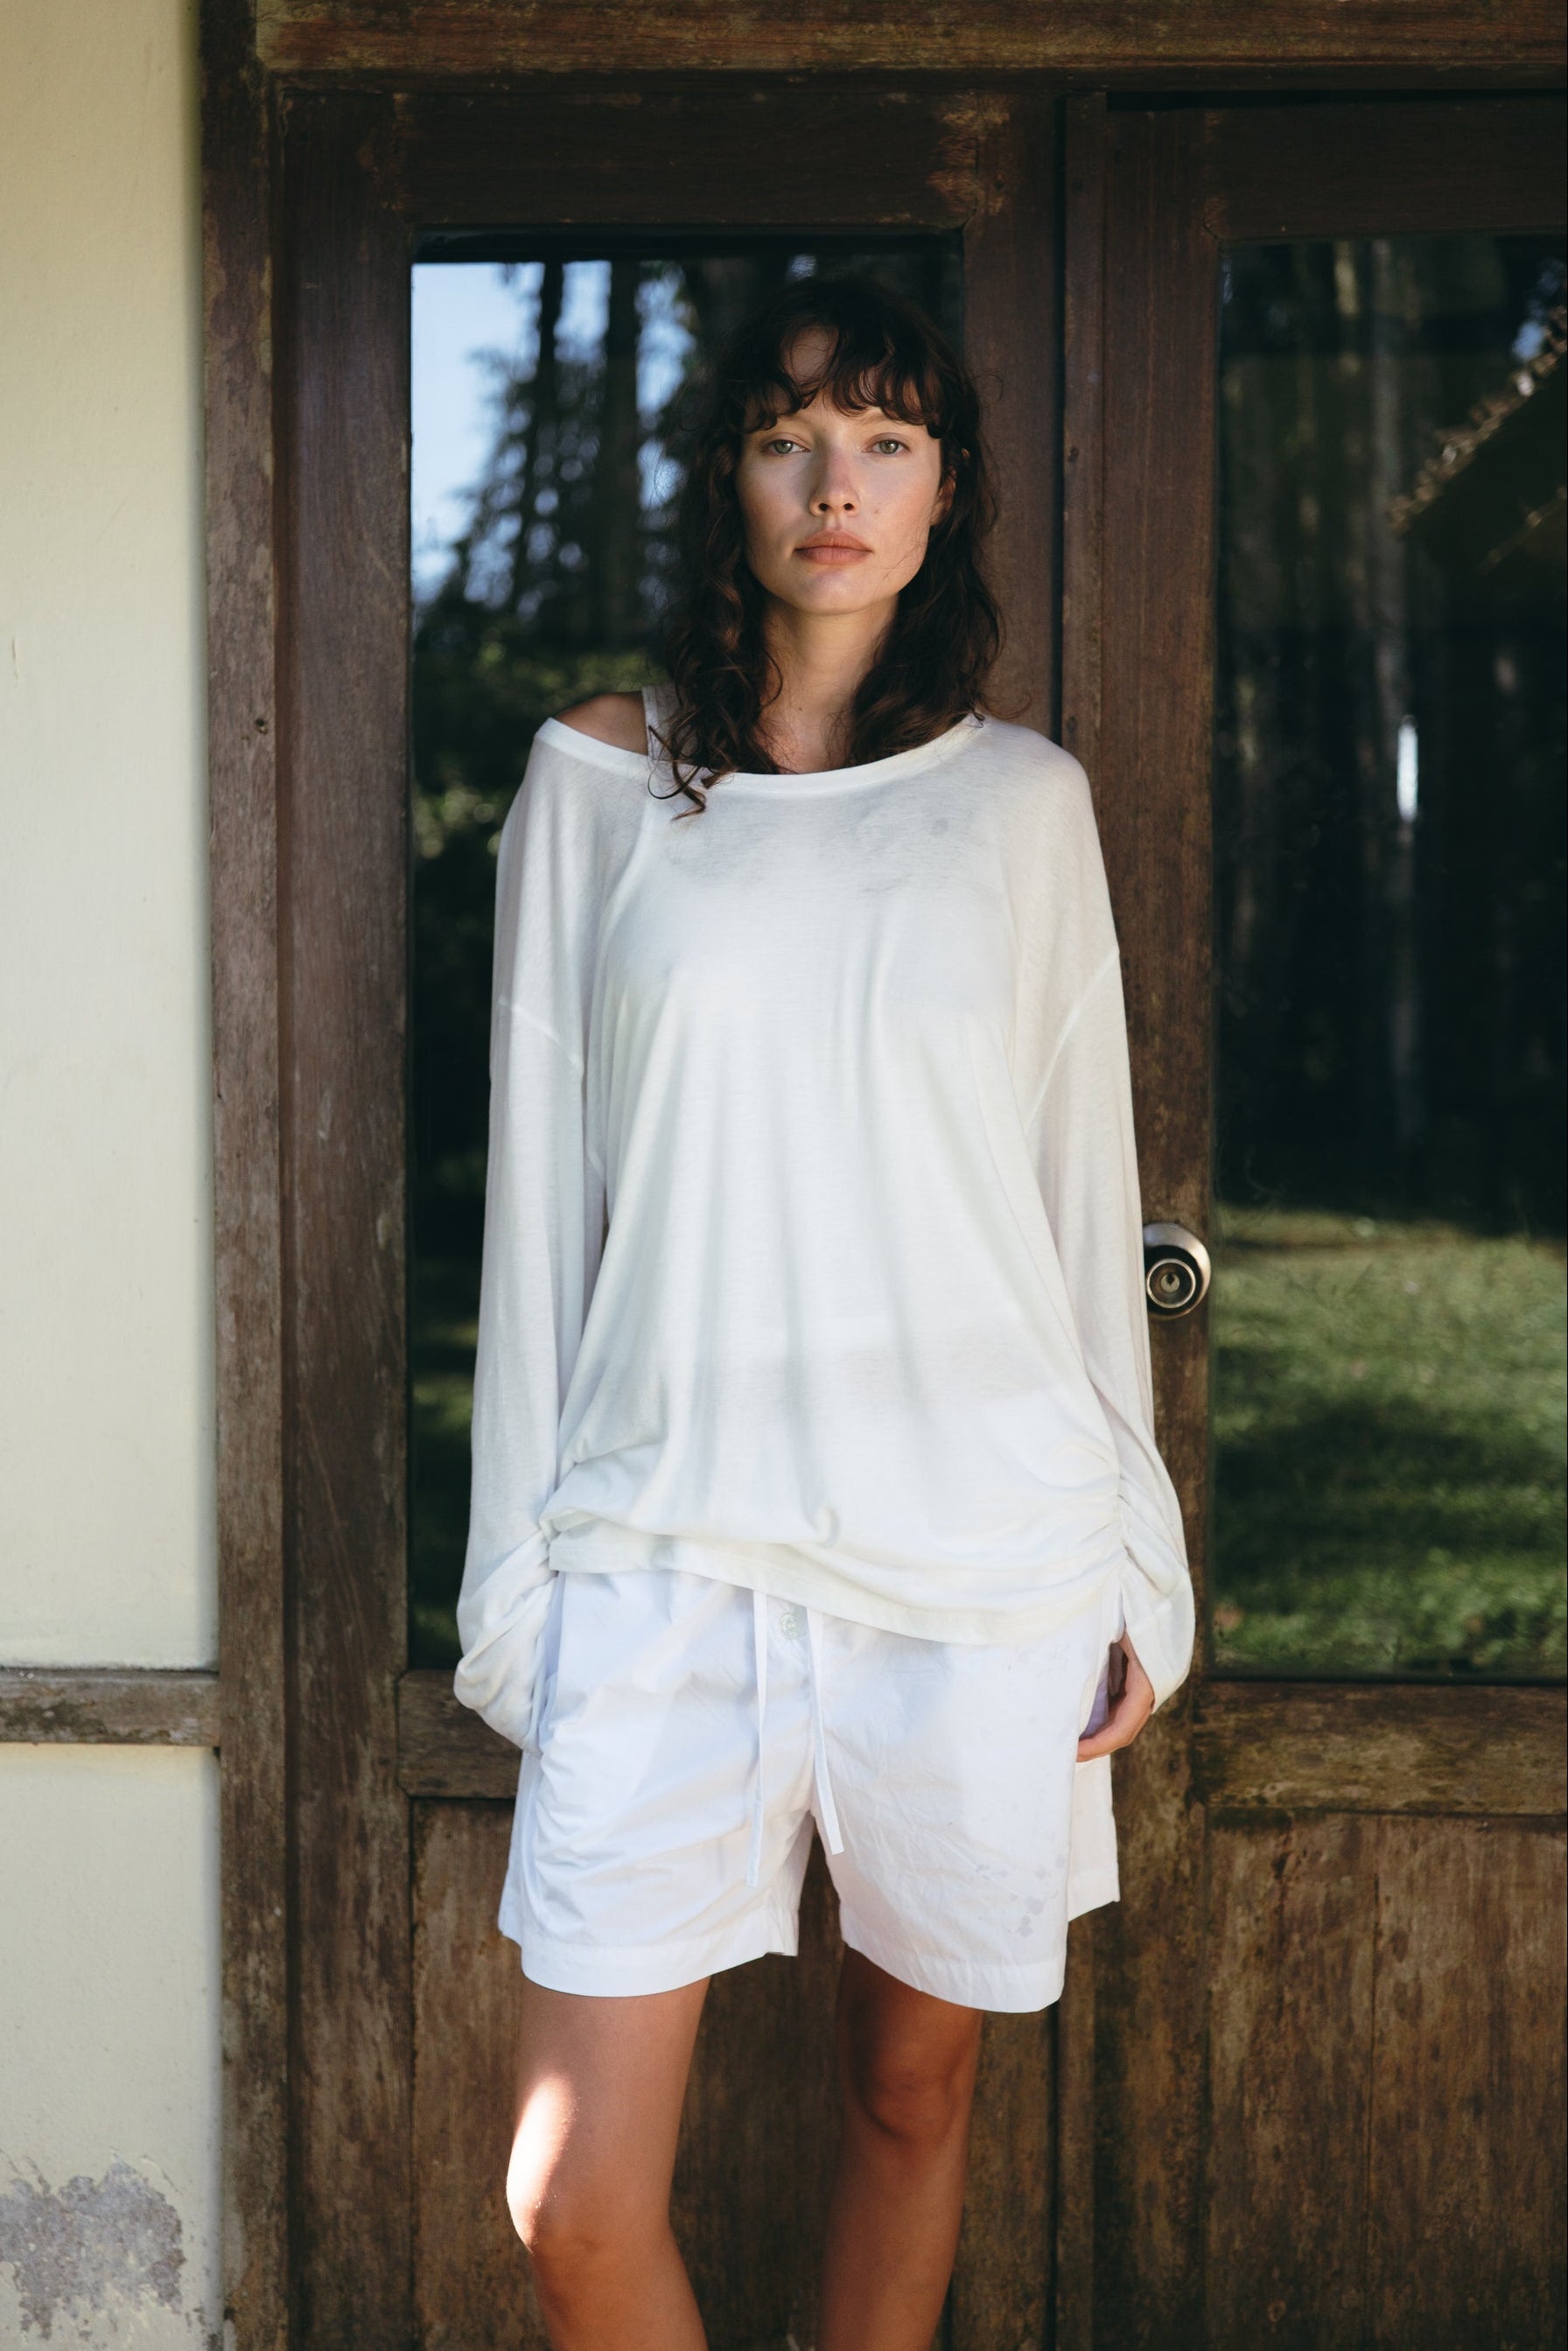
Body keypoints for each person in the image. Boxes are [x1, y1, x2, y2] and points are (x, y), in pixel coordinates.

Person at [452, 273, 1194, 2351]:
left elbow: (1073, 1199)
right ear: (730, 480)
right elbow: (536, 1213)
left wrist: (1135, 1554)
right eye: (789, 437)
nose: (834, 484)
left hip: (975, 1558)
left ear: (943, 491)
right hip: (660, 1554)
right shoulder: (599, 785)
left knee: (908, 2093)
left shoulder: (1017, 804)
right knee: (567, 2199)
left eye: (882, 439)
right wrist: (517, 1573)